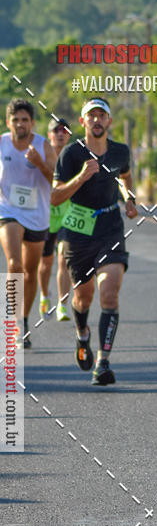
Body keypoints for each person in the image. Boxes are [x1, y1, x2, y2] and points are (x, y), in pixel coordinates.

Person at [51, 98, 137, 386]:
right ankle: (82, 334)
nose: (97, 120)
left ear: (109, 121)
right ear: (83, 121)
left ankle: (103, 362)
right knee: (82, 297)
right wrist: (82, 176)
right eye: (92, 116)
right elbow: (55, 197)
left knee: (109, 294)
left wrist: (129, 199)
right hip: (79, 231)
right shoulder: (71, 154)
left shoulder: (120, 151)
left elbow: (125, 176)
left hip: (111, 227)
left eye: (102, 115)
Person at [0, 99, 56, 348]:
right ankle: (13, 322)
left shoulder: (43, 146)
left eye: (24, 120)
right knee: (15, 264)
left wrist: (40, 163)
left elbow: (57, 182)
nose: (20, 124)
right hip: (7, 209)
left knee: (30, 272)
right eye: (15, 120)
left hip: (36, 214)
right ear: (8, 122)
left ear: (32, 123)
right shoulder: (1, 143)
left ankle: (23, 319)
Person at [38, 117, 72, 321]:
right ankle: (44, 295)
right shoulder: (41, 155)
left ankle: (62, 305)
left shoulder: (74, 157)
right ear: (49, 134)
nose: (60, 133)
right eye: (56, 130)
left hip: (67, 216)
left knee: (64, 260)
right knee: (46, 263)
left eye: (64, 130)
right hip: (45, 216)